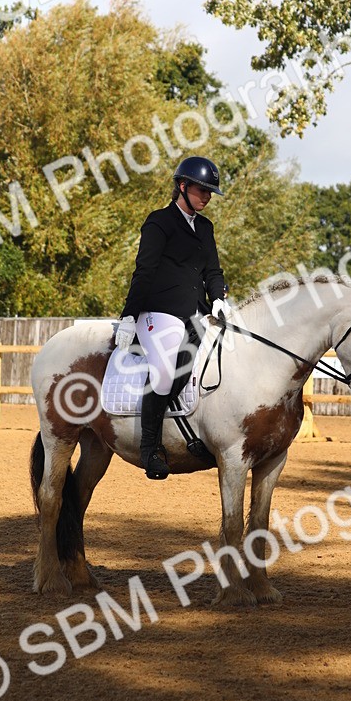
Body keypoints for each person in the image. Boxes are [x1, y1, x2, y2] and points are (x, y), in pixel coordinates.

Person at [116, 156, 231, 480]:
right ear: (182, 186)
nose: (207, 197)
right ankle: (150, 448)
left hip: (196, 315)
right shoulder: (159, 223)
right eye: (201, 190)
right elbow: (145, 271)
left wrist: (219, 298)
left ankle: (192, 432)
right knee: (167, 372)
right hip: (158, 313)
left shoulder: (205, 228)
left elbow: (212, 270)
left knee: (215, 361)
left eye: (210, 192)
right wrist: (129, 316)